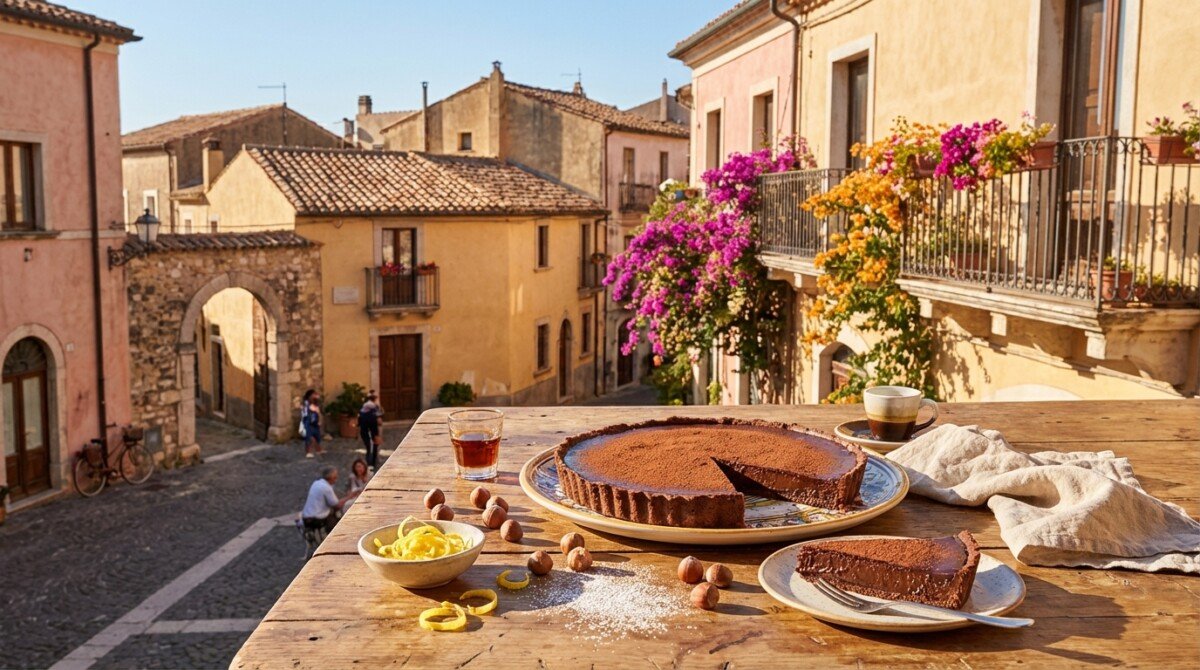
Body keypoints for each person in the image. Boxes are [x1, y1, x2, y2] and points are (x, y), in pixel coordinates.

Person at [301, 465, 355, 534]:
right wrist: (350, 496)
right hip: (316, 519)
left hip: (306, 516)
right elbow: (337, 505)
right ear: (331, 477)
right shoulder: (326, 488)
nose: (336, 479)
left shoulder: (316, 483)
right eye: (335, 477)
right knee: (340, 523)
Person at [358, 391, 384, 470]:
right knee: (373, 447)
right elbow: (379, 421)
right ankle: (371, 464)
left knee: (369, 448)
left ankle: (370, 463)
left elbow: (359, 422)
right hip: (372, 432)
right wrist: (377, 435)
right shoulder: (373, 411)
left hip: (364, 432)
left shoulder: (362, 410)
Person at [302, 390, 323, 458]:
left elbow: (319, 413)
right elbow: (305, 413)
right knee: (310, 437)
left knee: (317, 437)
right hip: (308, 422)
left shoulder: (316, 403)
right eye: (314, 394)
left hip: (315, 423)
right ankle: (308, 451)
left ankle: (318, 449)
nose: (315, 396)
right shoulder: (306, 404)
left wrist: (320, 421)